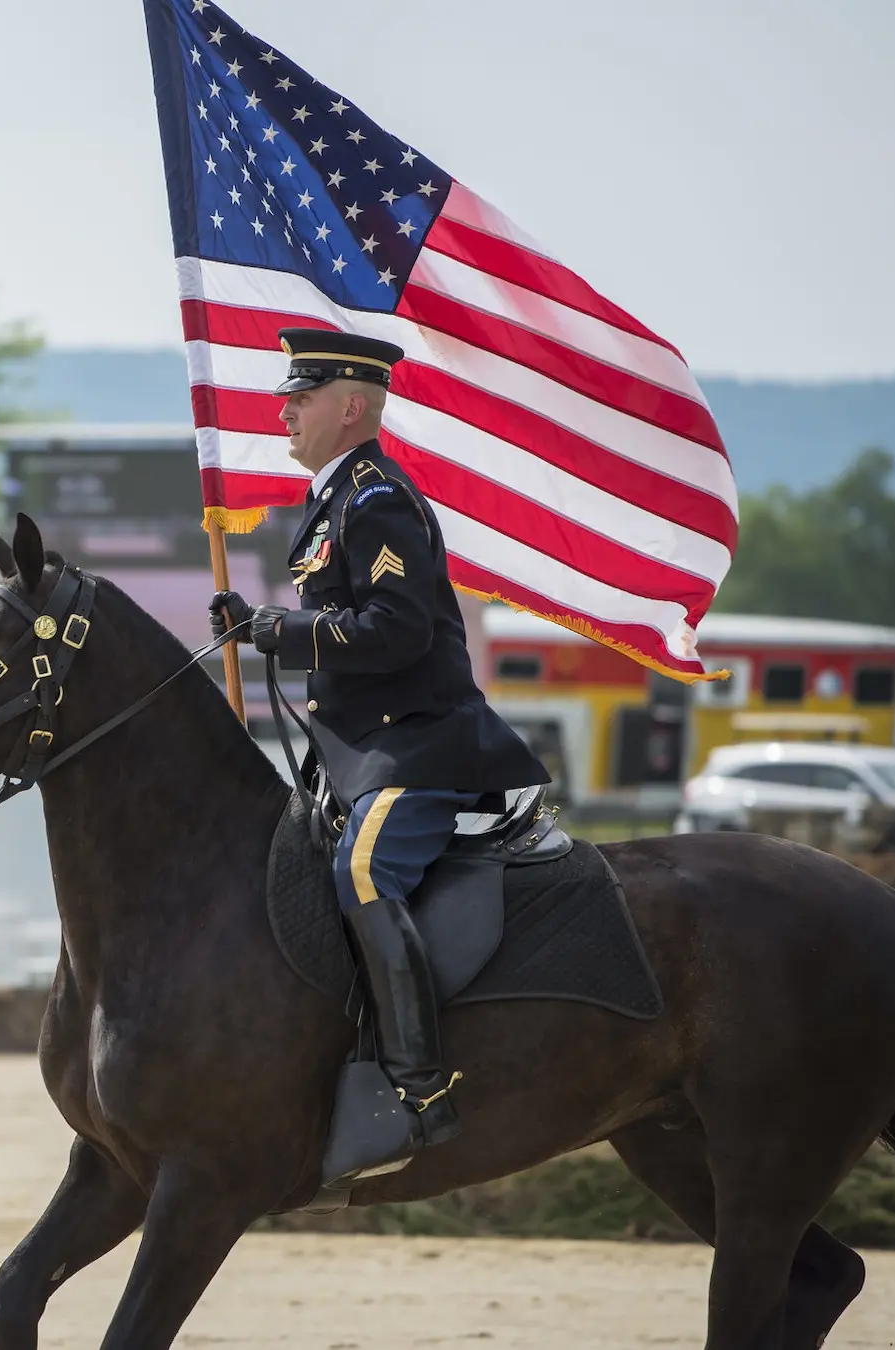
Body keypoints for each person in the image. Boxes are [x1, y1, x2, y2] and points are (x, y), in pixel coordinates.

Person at [210, 328, 549, 1169]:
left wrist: (276, 631)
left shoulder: (376, 500)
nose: (283, 410)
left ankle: (419, 1089)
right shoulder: (336, 501)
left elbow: (395, 633)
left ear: (351, 406)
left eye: (303, 396)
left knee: (363, 873)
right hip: (361, 751)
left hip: (422, 750)